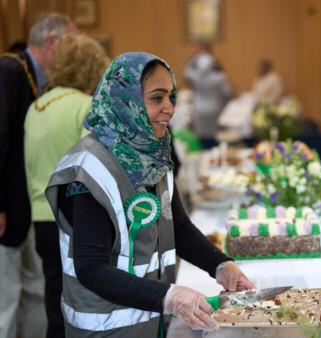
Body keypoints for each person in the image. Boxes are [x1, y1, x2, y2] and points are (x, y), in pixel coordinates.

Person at [45, 52, 255, 336]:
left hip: (150, 322)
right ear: (124, 102)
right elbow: (91, 268)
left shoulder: (154, 155)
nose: (169, 108)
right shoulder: (89, 169)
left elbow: (177, 227)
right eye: (157, 98)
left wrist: (221, 265)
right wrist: (169, 296)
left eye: (171, 96)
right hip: (106, 330)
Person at [23, 33, 109, 338]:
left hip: (41, 217)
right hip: (75, 219)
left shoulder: (37, 107)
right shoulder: (86, 106)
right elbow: (98, 165)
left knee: (54, 297)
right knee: (82, 301)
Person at [0, 13, 77, 338]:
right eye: (70, 44)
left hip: (25, 210)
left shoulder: (33, 76)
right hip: (7, 210)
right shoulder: (9, 70)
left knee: (29, 294)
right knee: (5, 299)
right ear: (52, 42)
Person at [184, 44, 232, 141]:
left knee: (201, 137)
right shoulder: (219, 77)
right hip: (216, 110)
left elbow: (186, 71)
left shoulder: (196, 77)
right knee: (215, 136)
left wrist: (195, 57)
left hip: (199, 110)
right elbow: (227, 94)